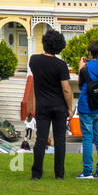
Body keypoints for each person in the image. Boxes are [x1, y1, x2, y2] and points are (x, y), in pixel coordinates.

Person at [28, 30, 75, 180]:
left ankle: (37, 173)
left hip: (42, 105)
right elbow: (66, 89)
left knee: (41, 139)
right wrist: (70, 107)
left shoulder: (34, 60)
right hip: (59, 106)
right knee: (60, 139)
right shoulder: (61, 65)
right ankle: (59, 173)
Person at [76, 40, 98, 179]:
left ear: (90, 53)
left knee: (87, 138)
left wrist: (80, 69)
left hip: (86, 105)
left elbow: (80, 86)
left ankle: (87, 171)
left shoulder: (86, 68)